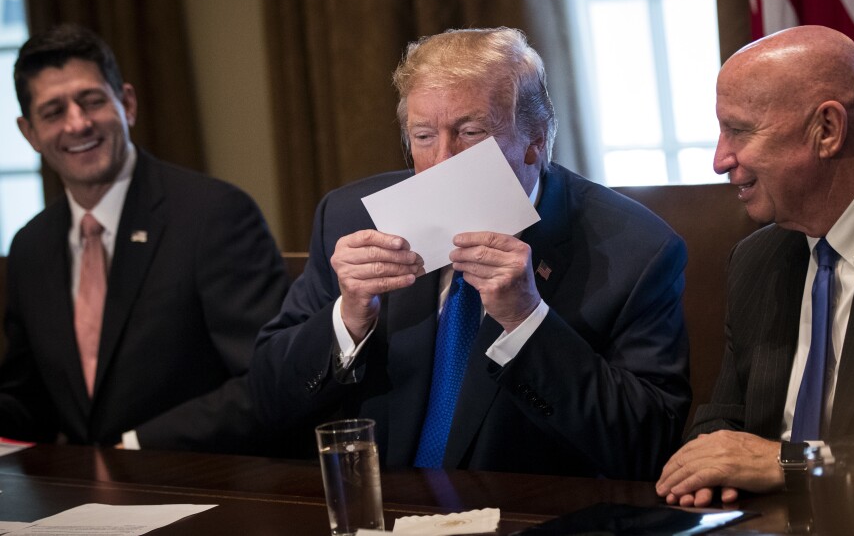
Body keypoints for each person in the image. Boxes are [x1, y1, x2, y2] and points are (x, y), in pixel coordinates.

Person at [251, 27, 690, 480]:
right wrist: (347, 319)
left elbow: (648, 444)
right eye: (423, 136)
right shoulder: (352, 217)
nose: (443, 160)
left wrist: (526, 319)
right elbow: (265, 403)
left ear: (535, 140)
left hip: (527, 508)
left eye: (471, 132)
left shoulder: (638, 250)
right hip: (381, 502)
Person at [1, 24, 289, 453]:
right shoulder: (30, 246)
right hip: (81, 490)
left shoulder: (214, 215)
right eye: (53, 112)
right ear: (30, 134)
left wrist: (135, 446)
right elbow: (31, 403)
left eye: (92, 101)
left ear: (127, 103)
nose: (77, 123)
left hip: (198, 478)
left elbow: (268, 377)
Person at [656, 25, 854, 507]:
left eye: (739, 131)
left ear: (827, 130)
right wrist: (709, 468)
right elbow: (724, 418)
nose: (720, 160)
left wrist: (793, 463)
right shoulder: (756, 259)